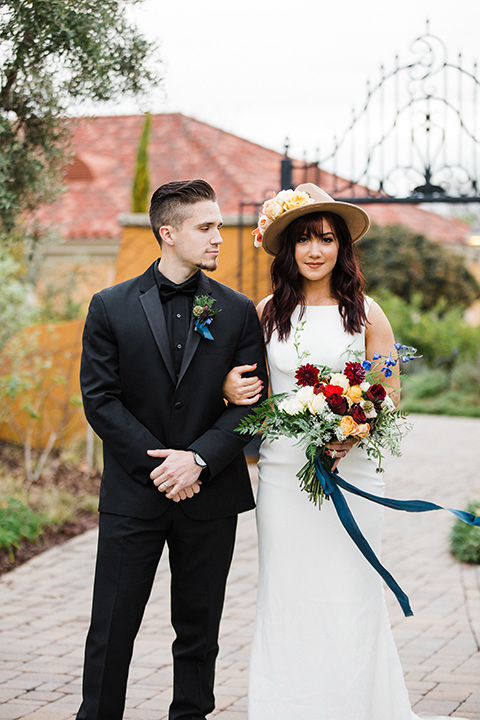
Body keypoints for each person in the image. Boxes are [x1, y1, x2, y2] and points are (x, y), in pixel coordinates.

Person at [223, 183, 466, 720]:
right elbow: (248, 385)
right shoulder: (265, 313)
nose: (316, 250)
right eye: (305, 239)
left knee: (350, 592)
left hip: (353, 469)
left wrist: (352, 429)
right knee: (289, 595)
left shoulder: (366, 312)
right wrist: (227, 390)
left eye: (326, 239)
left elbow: (388, 391)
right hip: (286, 476)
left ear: (341, 247)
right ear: (288, 250)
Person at [76, 179, 268, 720]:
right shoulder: (110, 307)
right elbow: (101, 402)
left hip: (210, 495)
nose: (218, 236)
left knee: (199, 629)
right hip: (134, 493)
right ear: (168, 232)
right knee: (111, 627)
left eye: (218, 225)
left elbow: (253, 404)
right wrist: (164, 465)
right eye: (205, 227)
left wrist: (198, 460)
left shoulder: (235, 310)